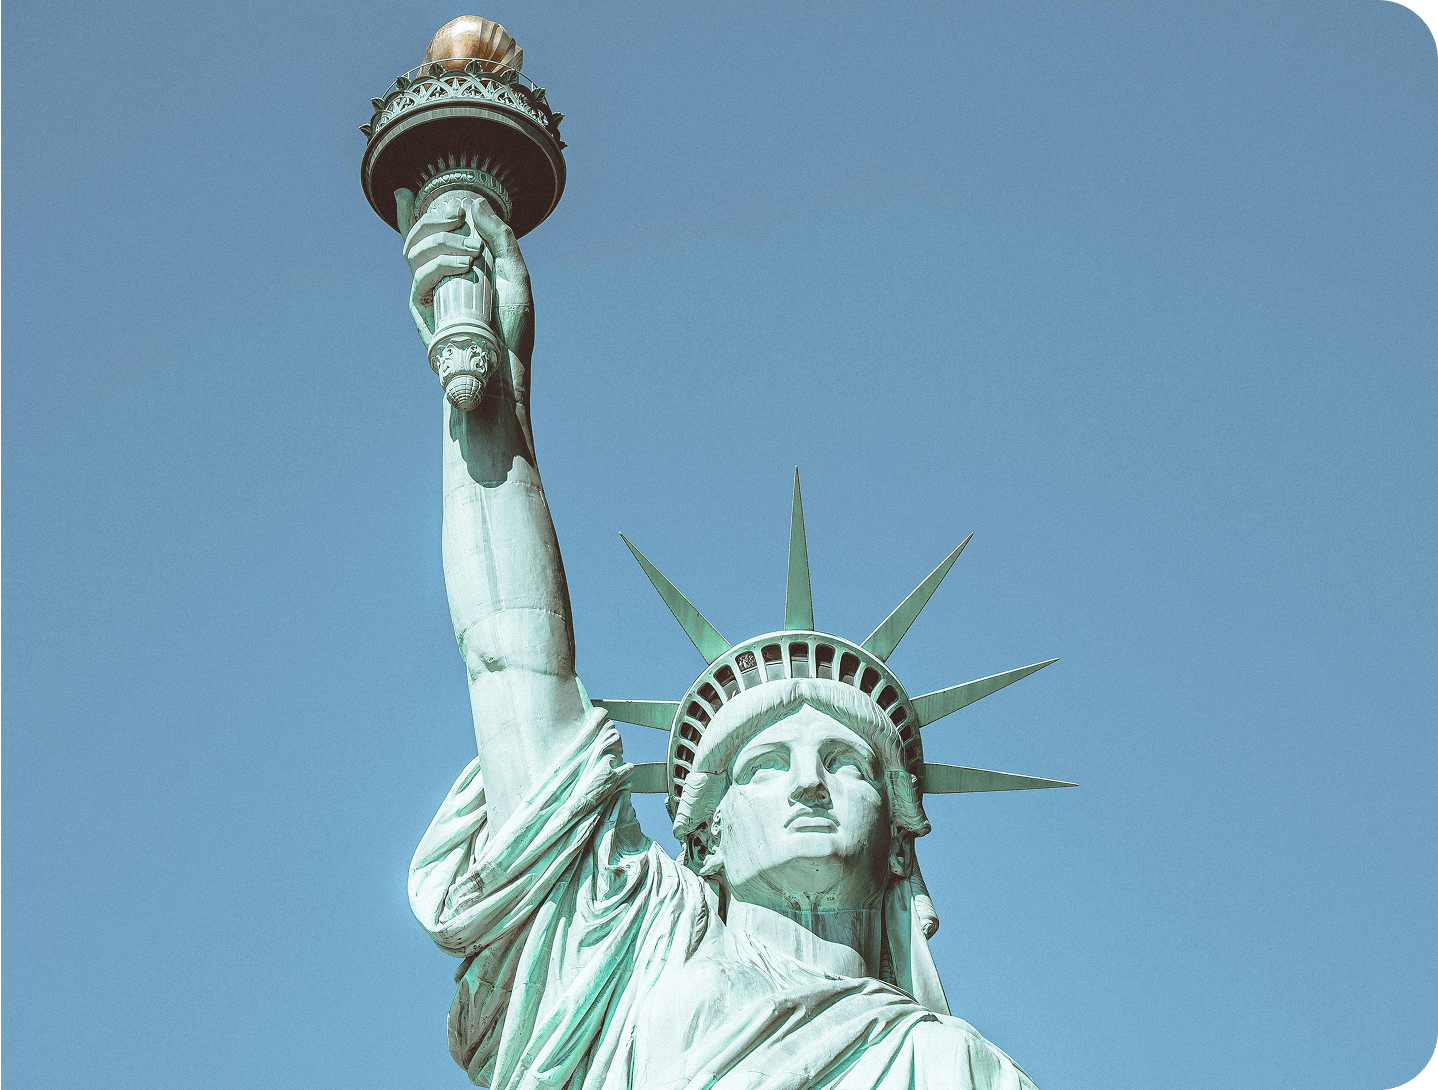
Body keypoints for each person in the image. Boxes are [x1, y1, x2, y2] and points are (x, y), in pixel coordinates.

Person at [404, 193, 1039, 1089]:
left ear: (902, 842)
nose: (811, 782)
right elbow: (509, 658)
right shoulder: (633, 957)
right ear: (705, 837)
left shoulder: (955, 1066)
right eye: (767, 763)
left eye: (847, 763)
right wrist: (495, 390)